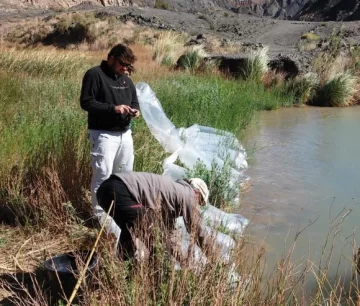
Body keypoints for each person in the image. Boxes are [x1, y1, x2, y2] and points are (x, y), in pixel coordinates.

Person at [80, 44, 140, 232]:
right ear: (112, 58)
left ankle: (119, 212)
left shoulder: (126, 80)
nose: (125, 69)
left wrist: (134, 110)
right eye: (123, 64)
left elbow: (134, 100)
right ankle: (100, 217)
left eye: (128, 66)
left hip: (125, 135)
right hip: (103, 134)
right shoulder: (94, 74)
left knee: (125, 177)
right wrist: (113, 109)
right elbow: (86, 102)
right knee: (103, 175)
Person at [96, 172, 211, 261]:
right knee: (153, 238)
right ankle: (138, 274)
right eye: (199, 202)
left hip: (106, 190)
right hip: (119, 189)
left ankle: (118, 267)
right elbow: (198, 231)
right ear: (197, 193)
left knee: (133, 230)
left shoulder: (171, 196)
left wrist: (182, 260)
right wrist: (216, 260)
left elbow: (170, 236)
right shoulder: (188, 195)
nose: (197, 207)